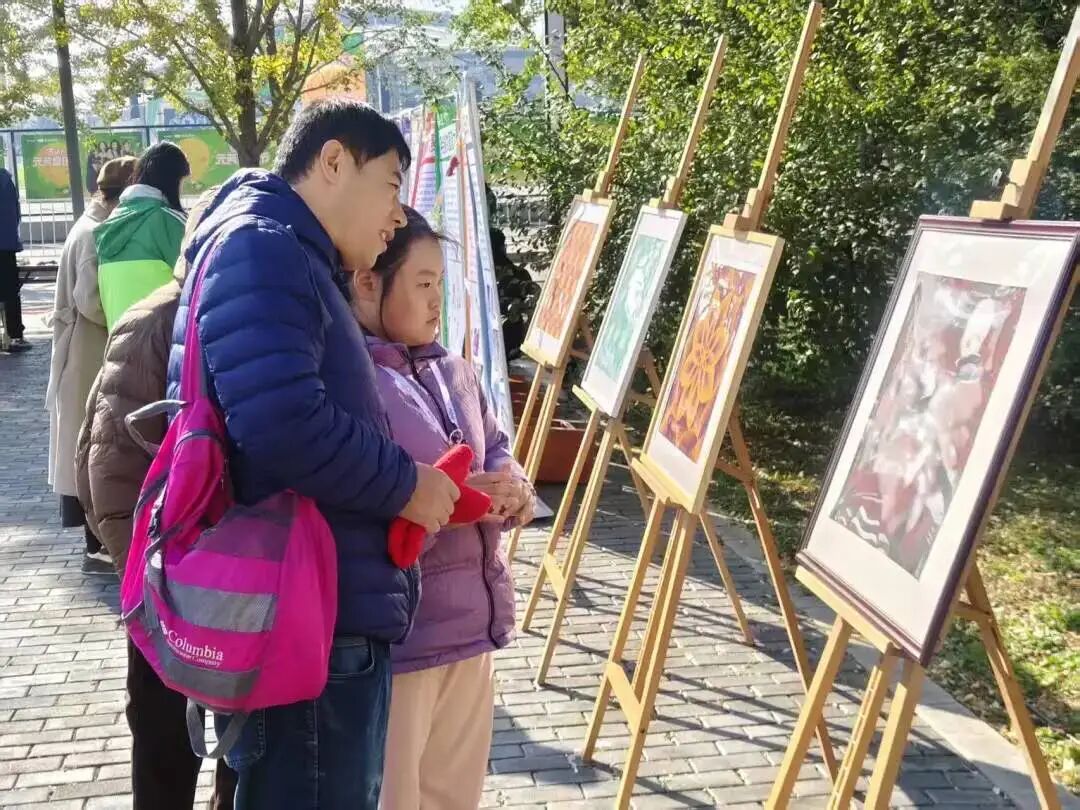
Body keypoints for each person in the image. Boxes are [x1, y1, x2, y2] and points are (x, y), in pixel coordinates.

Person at [168, 99, 460, 809]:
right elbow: (282, 423)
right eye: (390, 184)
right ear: (333, 162)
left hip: (316, 603)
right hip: (308, 615)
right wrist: (406, 484)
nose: (397, 214)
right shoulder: (265, 248)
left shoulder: (282, 250)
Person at [352, 206, 535, 810]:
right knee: (396, 797)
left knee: (455, 797)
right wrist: (458, 499)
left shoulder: (455, 369)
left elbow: (496, 445)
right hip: (404, 640)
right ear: (369, 284)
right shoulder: (355, 384)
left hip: (472, 629)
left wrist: (512, 488)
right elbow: (362, 507)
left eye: (441, 284)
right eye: (423, 283)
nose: (437, 301)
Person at [75, 186, 238, 810]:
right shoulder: (154, 322)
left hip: (237, 579)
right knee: (164, 738)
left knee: (243, 744)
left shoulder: (248, 318)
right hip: (162, 578)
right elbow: (106, 468)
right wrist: (149, 582)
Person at [46, 156, 136, 574]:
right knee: (91, 447)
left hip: (80, 348)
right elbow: (89, 300)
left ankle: (96, 542)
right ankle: (95, 545)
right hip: (86, 348)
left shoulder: (89, 224)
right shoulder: (95, 232)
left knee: (84, 445)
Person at [95, 141, 189, 331]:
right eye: (182, 182)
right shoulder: (169, 221)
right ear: (172, 181)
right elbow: (199, 284)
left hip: (120, 341)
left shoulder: (108, 225)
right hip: (162, 342)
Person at [0, 166, 28, 352]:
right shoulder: (6, 182)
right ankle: (15, 335)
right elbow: (15, 214)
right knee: (10, 292)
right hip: (6, 245)